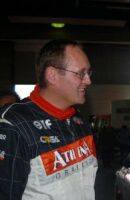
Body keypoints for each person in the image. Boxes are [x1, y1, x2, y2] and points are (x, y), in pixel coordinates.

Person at [0, 39, 98, 200]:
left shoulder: (79, 121)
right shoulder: (14, 124)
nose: (88, 81)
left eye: (89, 73)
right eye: (81, 73)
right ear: (52, 75)